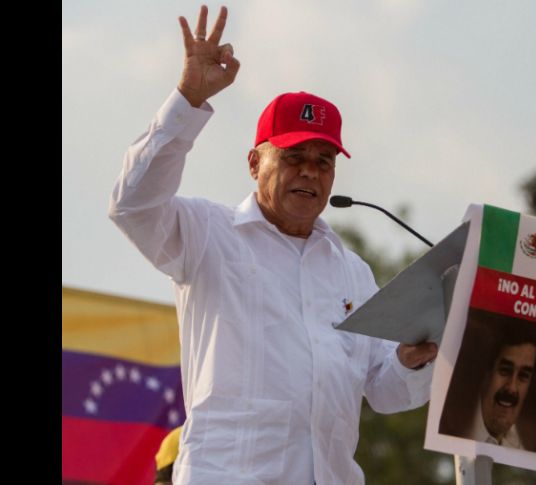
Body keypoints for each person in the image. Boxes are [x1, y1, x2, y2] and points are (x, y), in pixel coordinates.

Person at [108, 6, 437, 485]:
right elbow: (132, 206)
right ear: (253, 163)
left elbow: (385, 393)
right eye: (293, 156)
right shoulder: (206, 233)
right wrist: (187, 101)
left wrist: (412, 360)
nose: (310, 171)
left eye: (324, 161)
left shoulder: (352, 272)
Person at [465, 329, 536, 448]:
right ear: (484, 372)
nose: (512, 388)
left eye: (523, 376)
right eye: (505, 370)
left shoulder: (524, 448)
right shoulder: (457, 431)